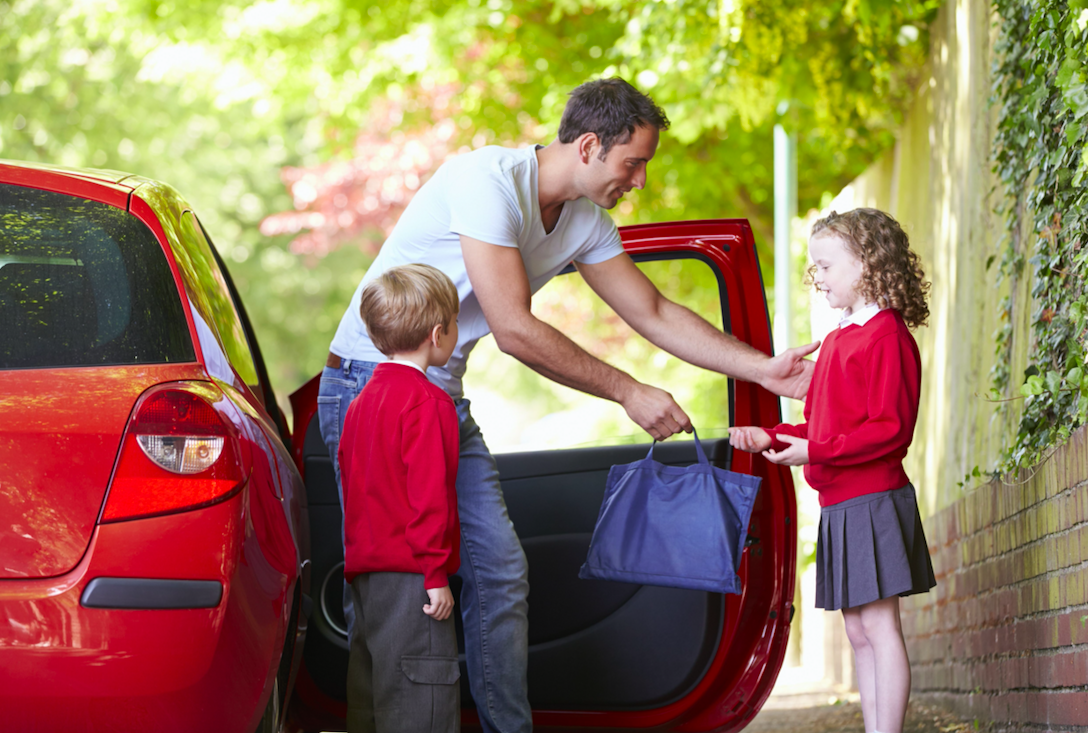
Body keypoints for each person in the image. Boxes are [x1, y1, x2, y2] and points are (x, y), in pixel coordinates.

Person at [320, 77, 818, 733]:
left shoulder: (584, 222)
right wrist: (628, 391)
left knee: (500, 570)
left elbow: (655, 310)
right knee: (393, 586)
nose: (638, 180)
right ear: (588, 145)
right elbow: (513, 328)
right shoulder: (485, 181)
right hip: (372, 385)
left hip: (441, 392)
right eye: (632, 161)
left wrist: (766, 369)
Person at [729, 208, 936, 733]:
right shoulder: (841, 337)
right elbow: (821, 425)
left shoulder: (885, 335)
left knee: (880, 625)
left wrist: (815, 451)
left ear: (867, 264)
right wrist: (772, 437)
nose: (817, 278)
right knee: (859, 631)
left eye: (825, 266)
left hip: (875, 497)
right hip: (840, 503)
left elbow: (890, 430)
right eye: (814, 267)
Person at [337, 264, 462, 733]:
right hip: (413, 579)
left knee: (372, 700)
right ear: (437, 333)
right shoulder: (428, 403)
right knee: (419, 703)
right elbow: (429, 495)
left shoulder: (360, 405)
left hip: (366, 577)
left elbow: (354, 488)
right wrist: (435, 574)